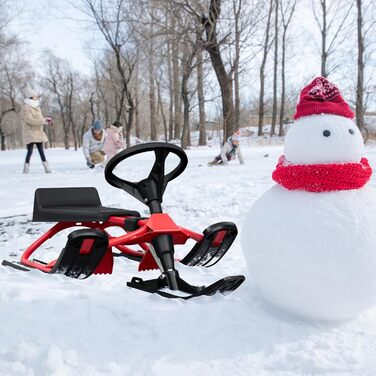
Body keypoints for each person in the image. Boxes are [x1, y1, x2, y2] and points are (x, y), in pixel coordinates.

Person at [22, 87, 52, 174]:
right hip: (30, 132)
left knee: (41, 150)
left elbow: (40, 118)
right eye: (35, 96)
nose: (36, 97)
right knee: (30, 151)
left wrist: (45, 120)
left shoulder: (37, 106)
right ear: (31, 97)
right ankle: (26, 169)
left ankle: (47, 168)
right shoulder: (26, 107)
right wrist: (42, 121)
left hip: (38, 132)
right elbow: (29, 120)